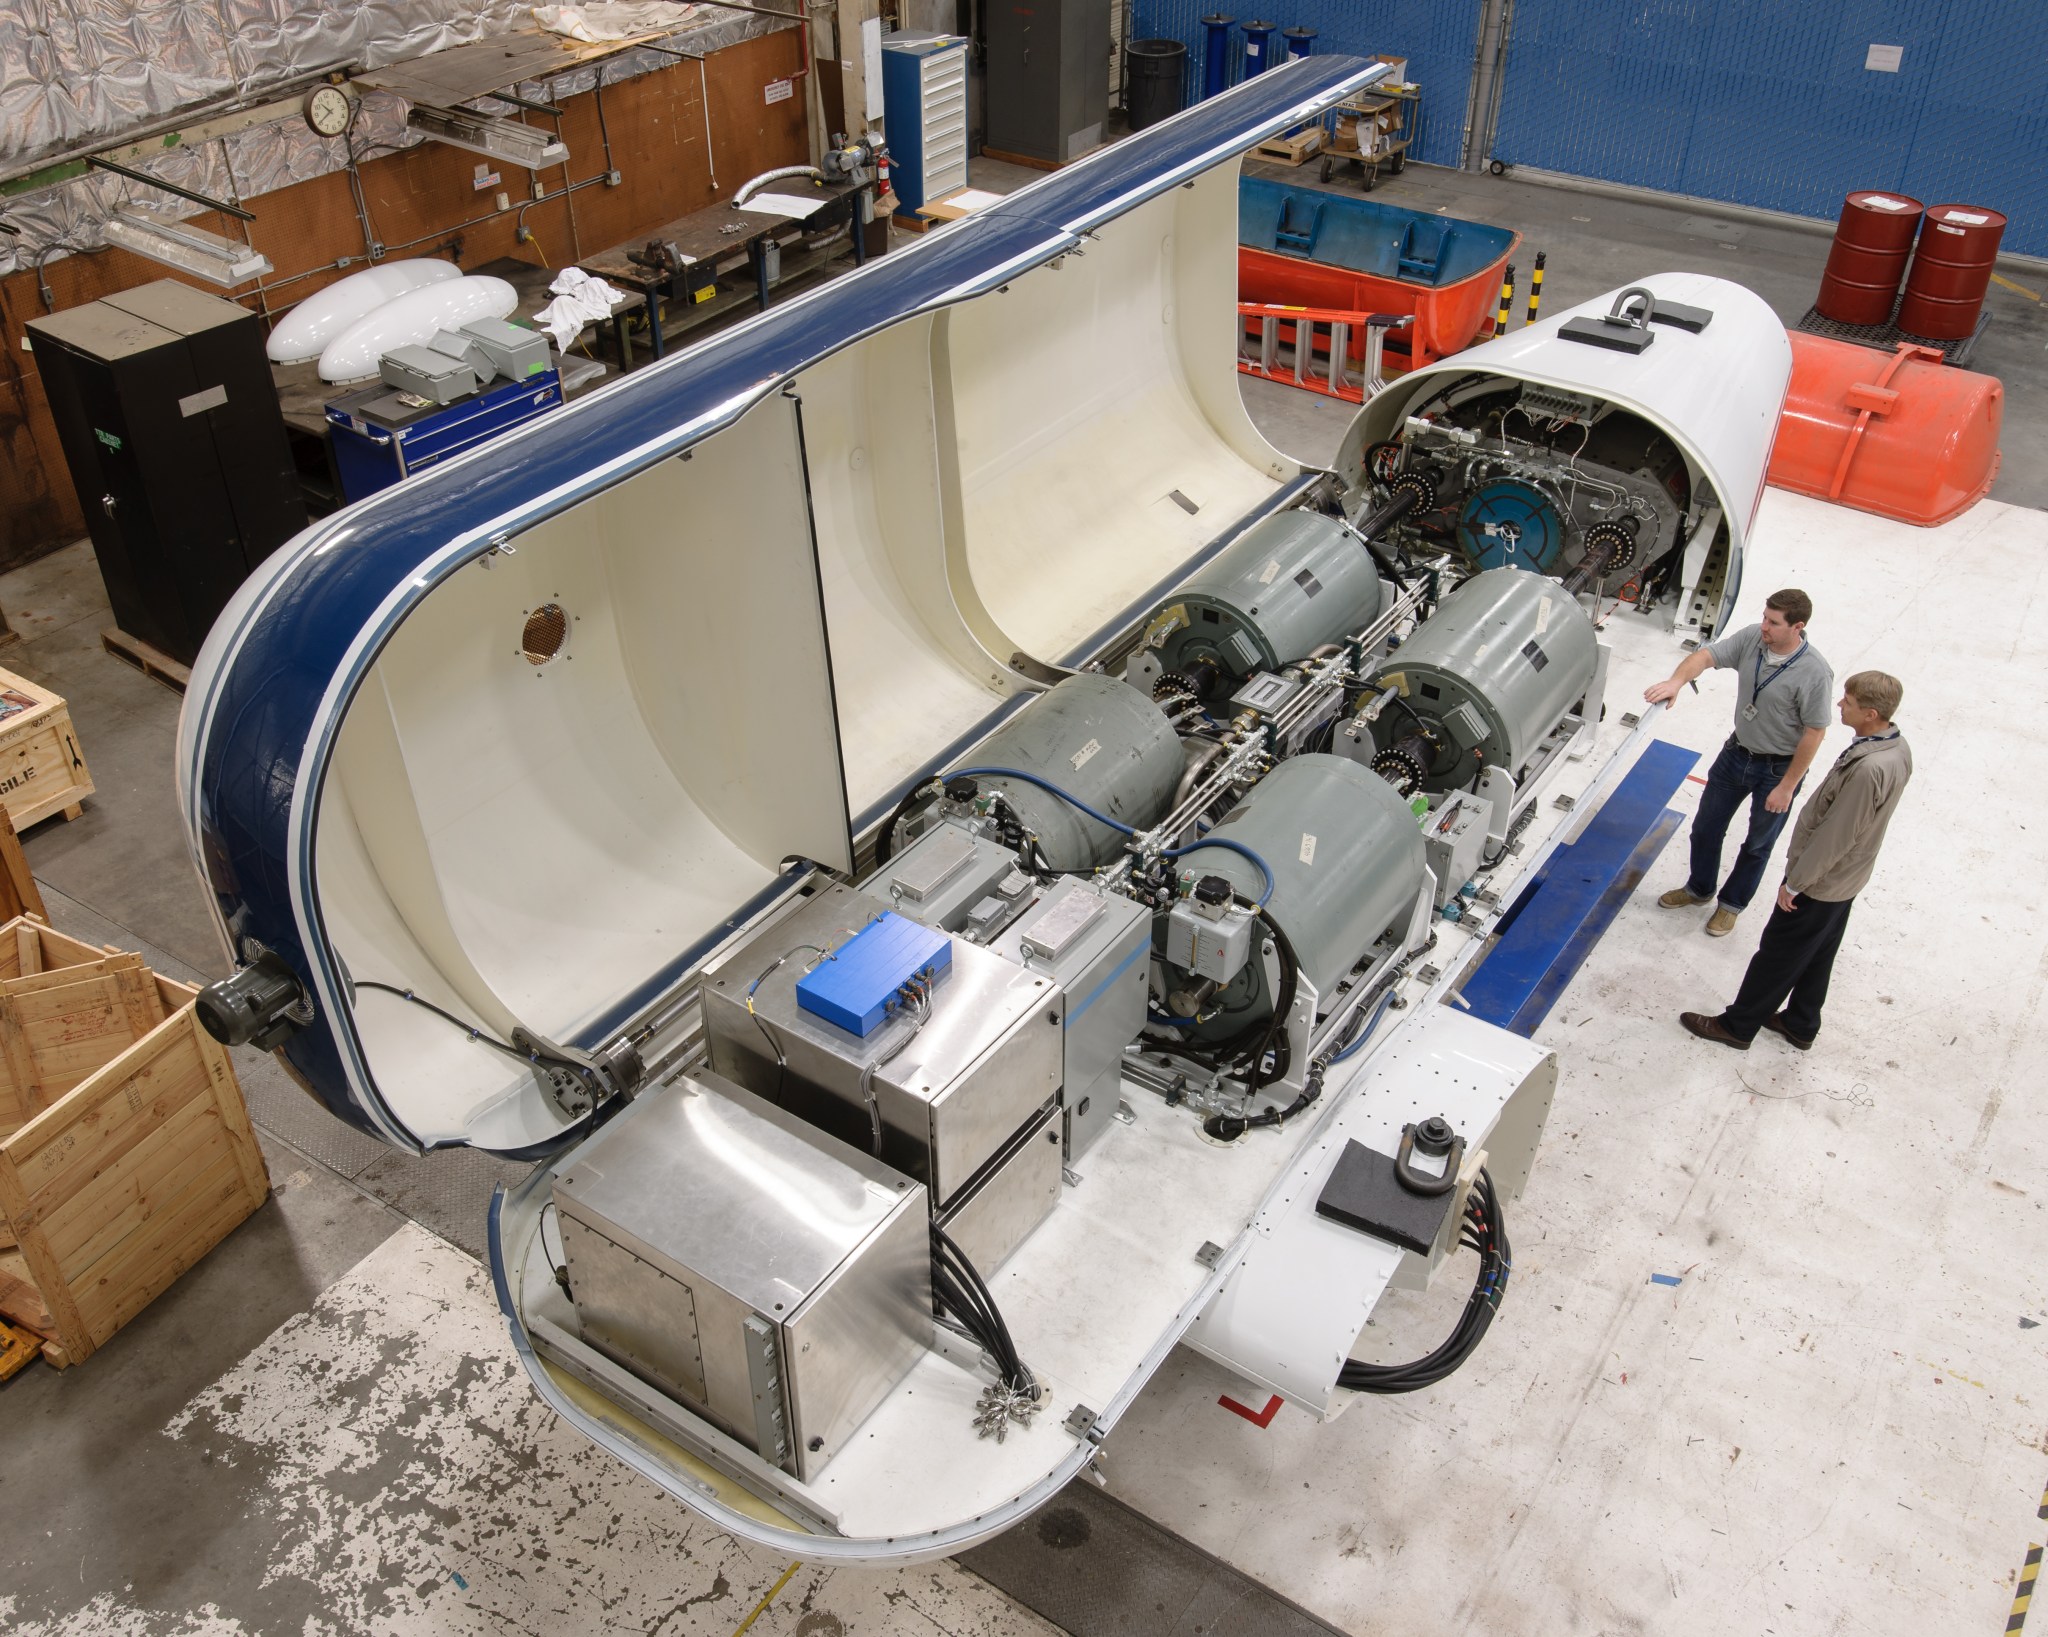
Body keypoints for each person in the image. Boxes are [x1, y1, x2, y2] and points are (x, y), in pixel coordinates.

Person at [1680, 671, 1912, 1051]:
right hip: (1847, 879)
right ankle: (1800, 1022)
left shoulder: (1870, 768)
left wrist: (1797, 883)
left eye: (1848, 703)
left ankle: (1738, 1026)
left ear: (1870, 713)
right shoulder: (1895, 748)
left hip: (1821, 881)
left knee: (1778, 953)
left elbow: (1837, 834)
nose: (1839, 705)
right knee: (1819, 951)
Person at [1643, 589, 1833, 936]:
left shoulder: (1814, 672)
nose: (1764, 626)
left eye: (1773, 622)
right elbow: (1706, 656)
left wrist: (1787, 786)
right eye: (1764, 617)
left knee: (1758, 843)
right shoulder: (1752, 639)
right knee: (1706, 827)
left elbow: (1814, 733)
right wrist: (1676, 681)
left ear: (1797, 627)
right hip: (1736, 754)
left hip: (1777, 770)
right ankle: (1699, 889)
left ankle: (1731, 905)